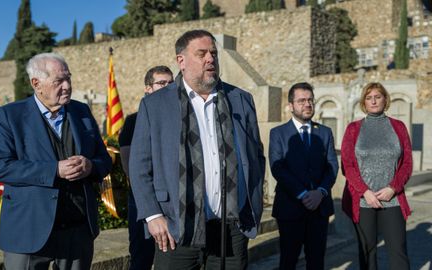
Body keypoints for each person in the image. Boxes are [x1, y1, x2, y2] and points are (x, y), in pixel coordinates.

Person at [129, 29, 265, 269]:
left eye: (213, 53)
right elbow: (140, 165)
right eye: (201, 54)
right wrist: (152, 215)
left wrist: (253, 205)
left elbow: (256, 157)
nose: (210, 59)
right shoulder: (155, 105)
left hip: (231, 229)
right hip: (176, 227)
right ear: (181, 61)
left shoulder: (240, 99)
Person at [0, 53, 112, 270]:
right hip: (28, 232)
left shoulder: (81, 111)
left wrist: (91, 166)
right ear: (37, 84)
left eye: (68, 79)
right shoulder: (10, 115)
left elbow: (104, 160)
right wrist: (54, 170)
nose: (67, 86)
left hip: (77, 230)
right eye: (58, 81)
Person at [341, 82, 412, 270]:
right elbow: (347, 166)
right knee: (367, 253)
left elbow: (407, 164)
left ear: (385, 99)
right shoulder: (353, 129)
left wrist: (393, 188)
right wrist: (365, 192)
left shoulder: (398, 127)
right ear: (364, 102)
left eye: (377, 96)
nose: (373, 101)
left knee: (398, 251)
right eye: (369, 97)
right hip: (364, 201)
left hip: (393, 200)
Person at [269, 82, 338, 270]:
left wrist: (321, 192)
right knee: (288, 261)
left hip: (319, 209)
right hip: (290, 207)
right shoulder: (278, 134)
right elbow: (278, 168)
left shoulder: (324, 133)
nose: (307, 104)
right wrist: (303, 193)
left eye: (310, 100)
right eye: (301, 101)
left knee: (316, 262)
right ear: (291, 106)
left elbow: (332, 166)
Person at [118, 65, 173, 270]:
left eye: (171, 83)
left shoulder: (181, 117)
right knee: (142, 256)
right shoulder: (133, 121)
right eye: (161, 83)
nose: (167, 87)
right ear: (147, 89)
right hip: (144, 201)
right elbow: (130, 165)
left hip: (173, 202)